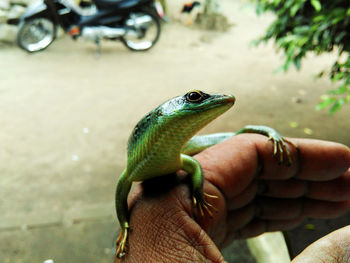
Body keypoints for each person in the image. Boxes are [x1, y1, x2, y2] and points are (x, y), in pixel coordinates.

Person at [114, 134, 350, 263]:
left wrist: (197, 193)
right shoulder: (136, 167)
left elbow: (195, 166)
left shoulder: (179, 160)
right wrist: (126, 225)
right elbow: (122, 188)